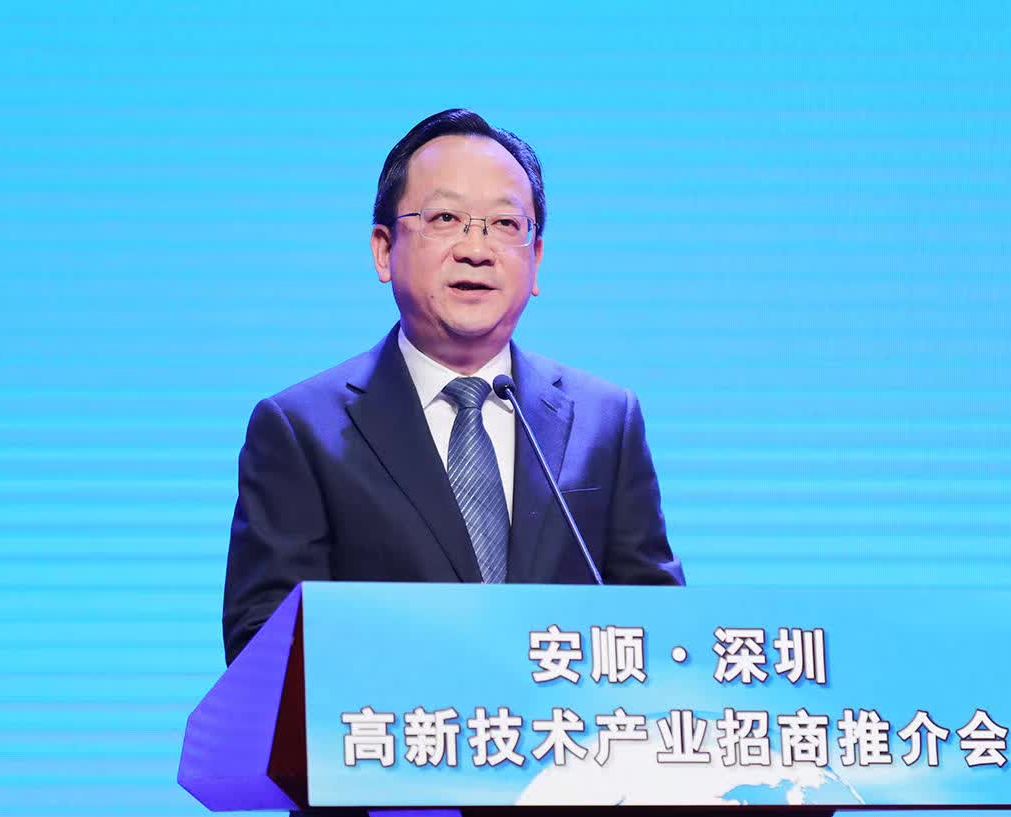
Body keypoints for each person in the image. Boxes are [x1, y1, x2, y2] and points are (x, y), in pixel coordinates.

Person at [223, 109, 685, 667]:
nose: (476, 249)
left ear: (536, 261)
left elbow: (663, 634)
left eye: (505, 224)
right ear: (383, 249)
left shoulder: (606, 421)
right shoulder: (300, 430)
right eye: (445, 218)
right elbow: (263, 649)